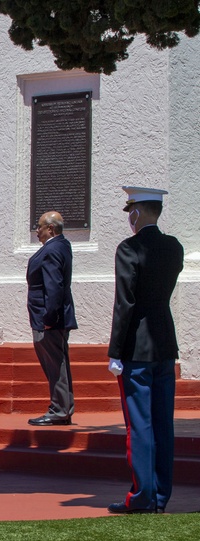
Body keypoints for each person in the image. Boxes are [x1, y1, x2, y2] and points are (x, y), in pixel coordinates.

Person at [106, 187, 183, 514]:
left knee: (140, 425)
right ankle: (161, 495)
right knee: (163, 423)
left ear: (136, 213)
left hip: (136, 347)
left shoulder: (129, 249)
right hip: (164, 341)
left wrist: (114, 350)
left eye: (130, 213)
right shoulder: (174, 248)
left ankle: (143, 496)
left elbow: (125, 304)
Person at [26, 211, 78, 426]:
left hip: (48, 319)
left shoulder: (52, 249)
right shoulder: (62, 245)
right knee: (58, 364)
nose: (36, 231)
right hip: (52, 317)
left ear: (51, 228)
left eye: (39, 227)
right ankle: (63, 407)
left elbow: (53, 286)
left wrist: (48, 316)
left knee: (56, 365)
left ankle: (59, 409)